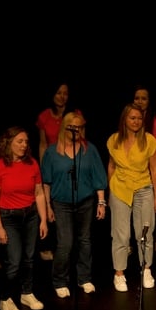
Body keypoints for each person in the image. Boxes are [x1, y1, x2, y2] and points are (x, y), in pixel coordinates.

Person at [41, 112, 108, 297]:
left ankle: (84, 278)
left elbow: (98, 178)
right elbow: (46, 182)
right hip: (61, 203)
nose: (76, 131)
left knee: (85, 240)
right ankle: (60, 280)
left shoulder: (89, 150)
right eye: (72, 127)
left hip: (86, 201)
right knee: (65, 243)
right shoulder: (52, 152)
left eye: (79, 127)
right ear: (65, 127)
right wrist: (48, 206)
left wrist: (101, 202)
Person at [0, 126, 48, 310]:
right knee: (14, 260)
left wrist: (43, 220)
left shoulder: (32, 164)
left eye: (26, 142)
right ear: (9, 143)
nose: (24, 145)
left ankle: (26, 293)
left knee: (29, 258)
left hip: (30, 215)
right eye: (19, 141)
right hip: (8, 217)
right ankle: (5, 298)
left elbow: (38, 194)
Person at [106, 103, 156, 292]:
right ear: (125, 119)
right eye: (132, 118)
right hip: (120, 189)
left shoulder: (149, 140)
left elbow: (155, 169)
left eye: (139, 118)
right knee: (121, 234)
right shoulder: (114, 140)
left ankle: (146, 269)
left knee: (145, 232)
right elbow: (111, 166)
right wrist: (111, 189)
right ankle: (119, 274)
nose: (136, 121)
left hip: (143, 189)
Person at [36, 82, 80, 262]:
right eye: (58, 93)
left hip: (70, 162)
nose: (62, 97)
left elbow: (82, 138)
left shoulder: (74, 115)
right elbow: (43, 144)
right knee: (51, 204)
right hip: (53, 163)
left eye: (65, 93)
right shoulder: (44, 116)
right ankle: (52, 245)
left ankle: (71, 245)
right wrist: (43, 167)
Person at [132, 85, 156, 261]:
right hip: (132, 173)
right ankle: (129, 244)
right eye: (137, 98)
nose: (140, 101)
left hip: (151, 171)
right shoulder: (129, 120)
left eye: (143, 98)